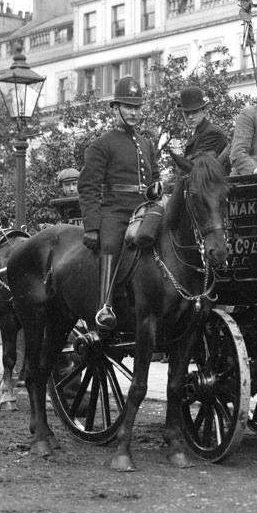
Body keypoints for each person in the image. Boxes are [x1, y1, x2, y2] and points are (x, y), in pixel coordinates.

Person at [78, 75, 162, 331]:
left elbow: (155, 176)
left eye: (137, 107)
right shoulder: (101, 144)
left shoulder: (146, 143)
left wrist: (157, 186)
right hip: (115, 210)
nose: (134, 112)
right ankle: (105, 306)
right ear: (116, 109)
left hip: (143, 208)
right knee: (112, 243)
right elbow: (88, 187)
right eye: (128, 107)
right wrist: (92, 226)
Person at [179, 86, 228, 164]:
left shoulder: (213, 133)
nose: (190, 117)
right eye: (187, 113)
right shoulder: (193, 133)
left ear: (204, 112)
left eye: (195, 111)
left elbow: (198, 164)